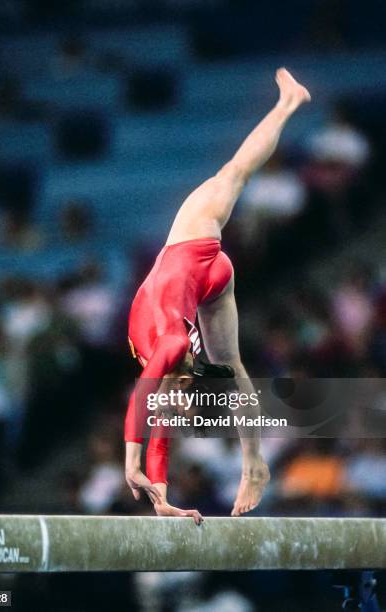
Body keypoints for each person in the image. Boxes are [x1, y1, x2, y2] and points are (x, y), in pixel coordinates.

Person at [124, 68, 311, 523]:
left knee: (237, 367)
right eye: (187, 406)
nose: (175, 410)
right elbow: (147, 411)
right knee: (235, 172)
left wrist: (147, 482)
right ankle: (256, 463)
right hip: (201, 259)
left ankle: (254, 463)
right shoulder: (171, 356)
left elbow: (150, 416)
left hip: (201, 263)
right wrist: (145, 481)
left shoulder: (172, 365)